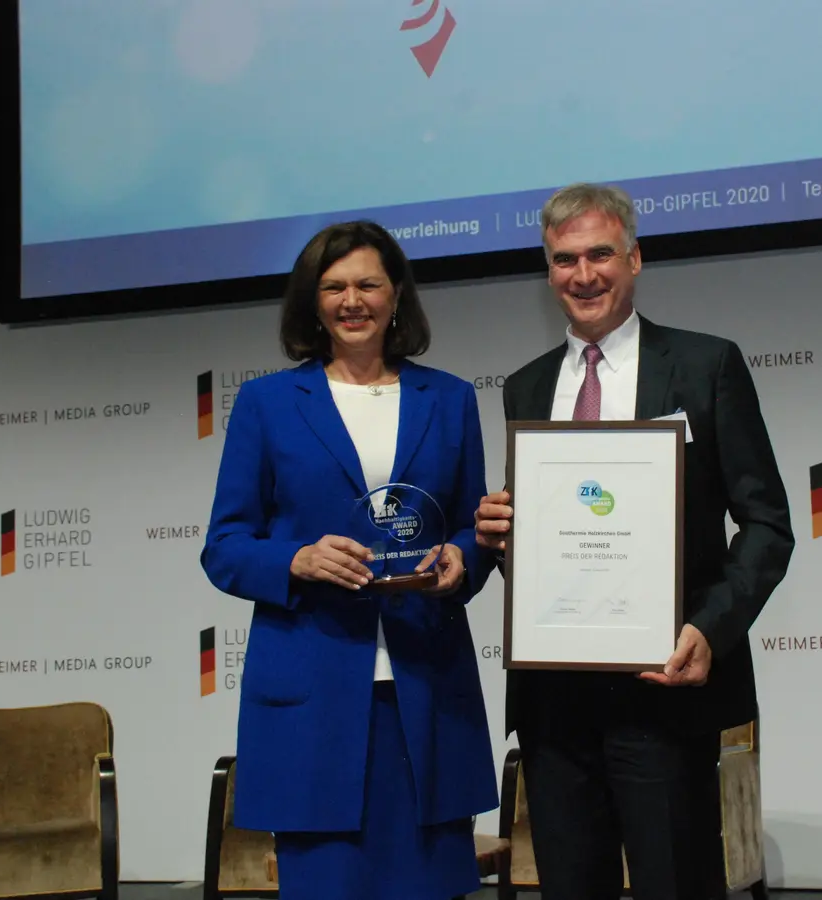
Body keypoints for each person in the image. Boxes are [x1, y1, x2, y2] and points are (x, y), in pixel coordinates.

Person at [474, 183, 795, 900]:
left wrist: (710, 630)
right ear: (547, 270)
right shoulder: (525, 388)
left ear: (635, 258)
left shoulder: (707, 366)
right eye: (563, 260)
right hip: (555, 709)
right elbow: (547, 543)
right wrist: (500, 538)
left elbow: (768, 525)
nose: (582, 275)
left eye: (599, 255)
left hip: (664, 694)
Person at [202, 220, 498, 900]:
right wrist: (297, 560)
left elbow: (470, 527)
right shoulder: (267, 403)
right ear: (313, 303)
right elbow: (226, 547)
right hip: (313, 691)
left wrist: (460, 559)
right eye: (333, 287)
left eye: (368, 283)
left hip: (425, 683)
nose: (351, 300)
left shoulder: (449, 398)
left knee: (432, 883)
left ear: (397, 297)